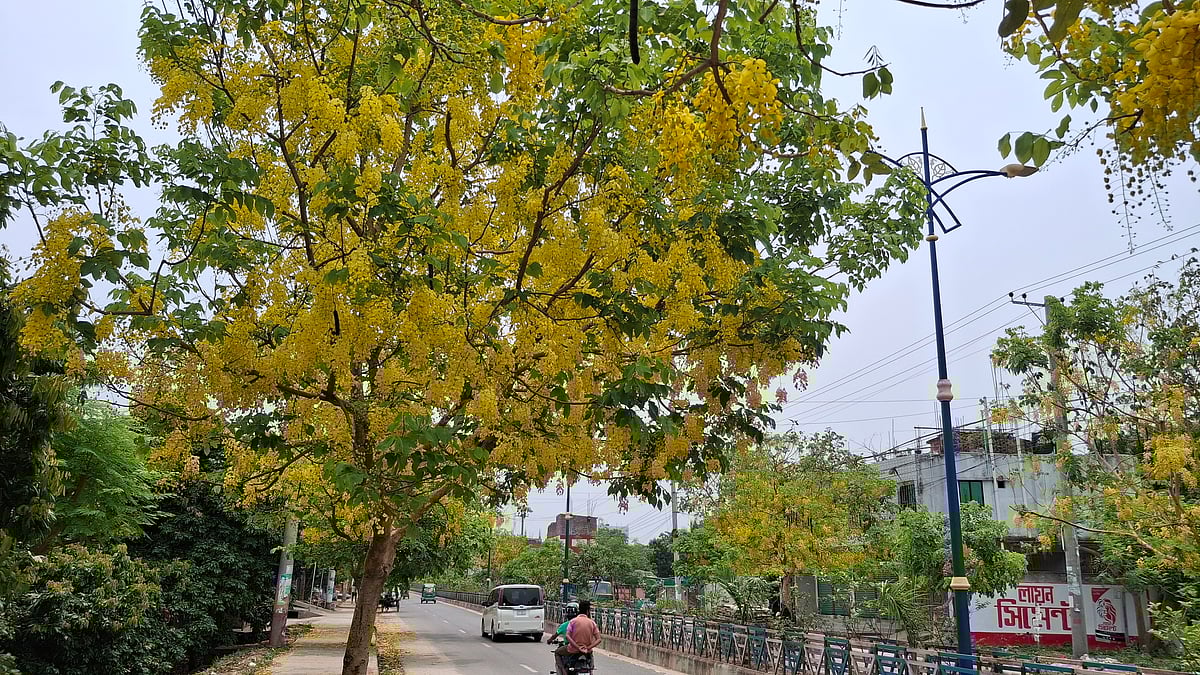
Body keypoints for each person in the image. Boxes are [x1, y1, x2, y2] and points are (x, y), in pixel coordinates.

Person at [555, 600, 600, 674]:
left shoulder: (573, 621)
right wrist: (588, 647)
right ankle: (591, 670)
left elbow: (568, 636)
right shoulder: (592, 623)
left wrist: (577, 647)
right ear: (588, 611)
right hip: (586, 651)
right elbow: (598, 639)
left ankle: (563, 672)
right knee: (591, 654)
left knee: (557, 652)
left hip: (572, 649)